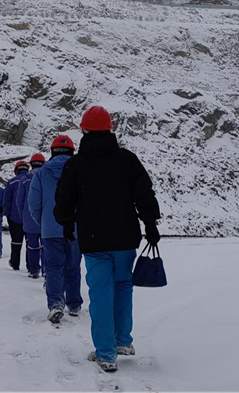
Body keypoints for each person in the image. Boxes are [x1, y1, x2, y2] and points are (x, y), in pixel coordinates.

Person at [53, 106, 161, 373]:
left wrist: (66, 224)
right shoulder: (127, 159)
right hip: (125, 238)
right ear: (110, 129)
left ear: (84, 131)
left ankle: (106, 353)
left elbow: (64, 200)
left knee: (101, 294)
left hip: (94, 239)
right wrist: (150, 223)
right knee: (123, 286)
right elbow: (144, 193)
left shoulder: (75, 165)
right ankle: (122, 341)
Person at [28, 136, 83, 324]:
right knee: (73, 266)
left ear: (52, 151)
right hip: (75, 228)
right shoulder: (81, 170)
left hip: (51, 229)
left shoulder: (42, 173)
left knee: (53, 267)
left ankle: (56, 304)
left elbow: (33, 203)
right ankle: (74, 304)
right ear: (72, 151)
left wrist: (44, 222)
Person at [16, 153, 46, 278]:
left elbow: (19, 201)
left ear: (31, 164)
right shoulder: (47, 177)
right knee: (46, 246)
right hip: (45, 218)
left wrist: (23, 216)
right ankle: (46, 270)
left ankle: (34, 270)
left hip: (29, 218)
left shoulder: (24, 179)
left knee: (32, 246)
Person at [3, 160, 30, 270]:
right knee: (31, 243)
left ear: (16, 170)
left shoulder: (11, 182)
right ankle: (31, 265)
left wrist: (7, 215)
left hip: (15, 217)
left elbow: (6, 201)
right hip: (30, 217)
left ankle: (15, 263)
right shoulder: (32, 180)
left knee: (16, 242)